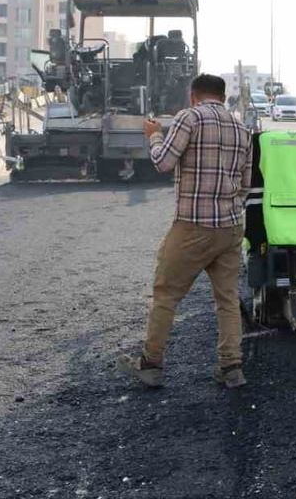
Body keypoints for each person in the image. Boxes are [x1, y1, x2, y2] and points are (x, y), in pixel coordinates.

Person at [118, 74, 253, 389]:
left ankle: (150, 365)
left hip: (192, 226)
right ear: (222, 96)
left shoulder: (189, 118)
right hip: (231, 227)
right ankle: (231, 368)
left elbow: (163, 162)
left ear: (194, 95)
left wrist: (153, 135)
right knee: (228, 299)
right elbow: (246, 185)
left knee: (166, 294)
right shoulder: (241, 128)